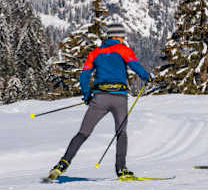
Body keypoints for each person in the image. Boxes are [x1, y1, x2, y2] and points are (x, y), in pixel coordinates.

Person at [47, 22, 152, 180]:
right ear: (118, 36)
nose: (123, 39)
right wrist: (147, 77)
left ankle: (61, 165)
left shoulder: (95, 52)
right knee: (121, 133)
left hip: (100, 98)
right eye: (122, 36)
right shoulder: (123, 49)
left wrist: (87, 95)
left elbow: (84, 76)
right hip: (119, 98)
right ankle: (121, 170)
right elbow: (135, 66)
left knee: (83, 133)